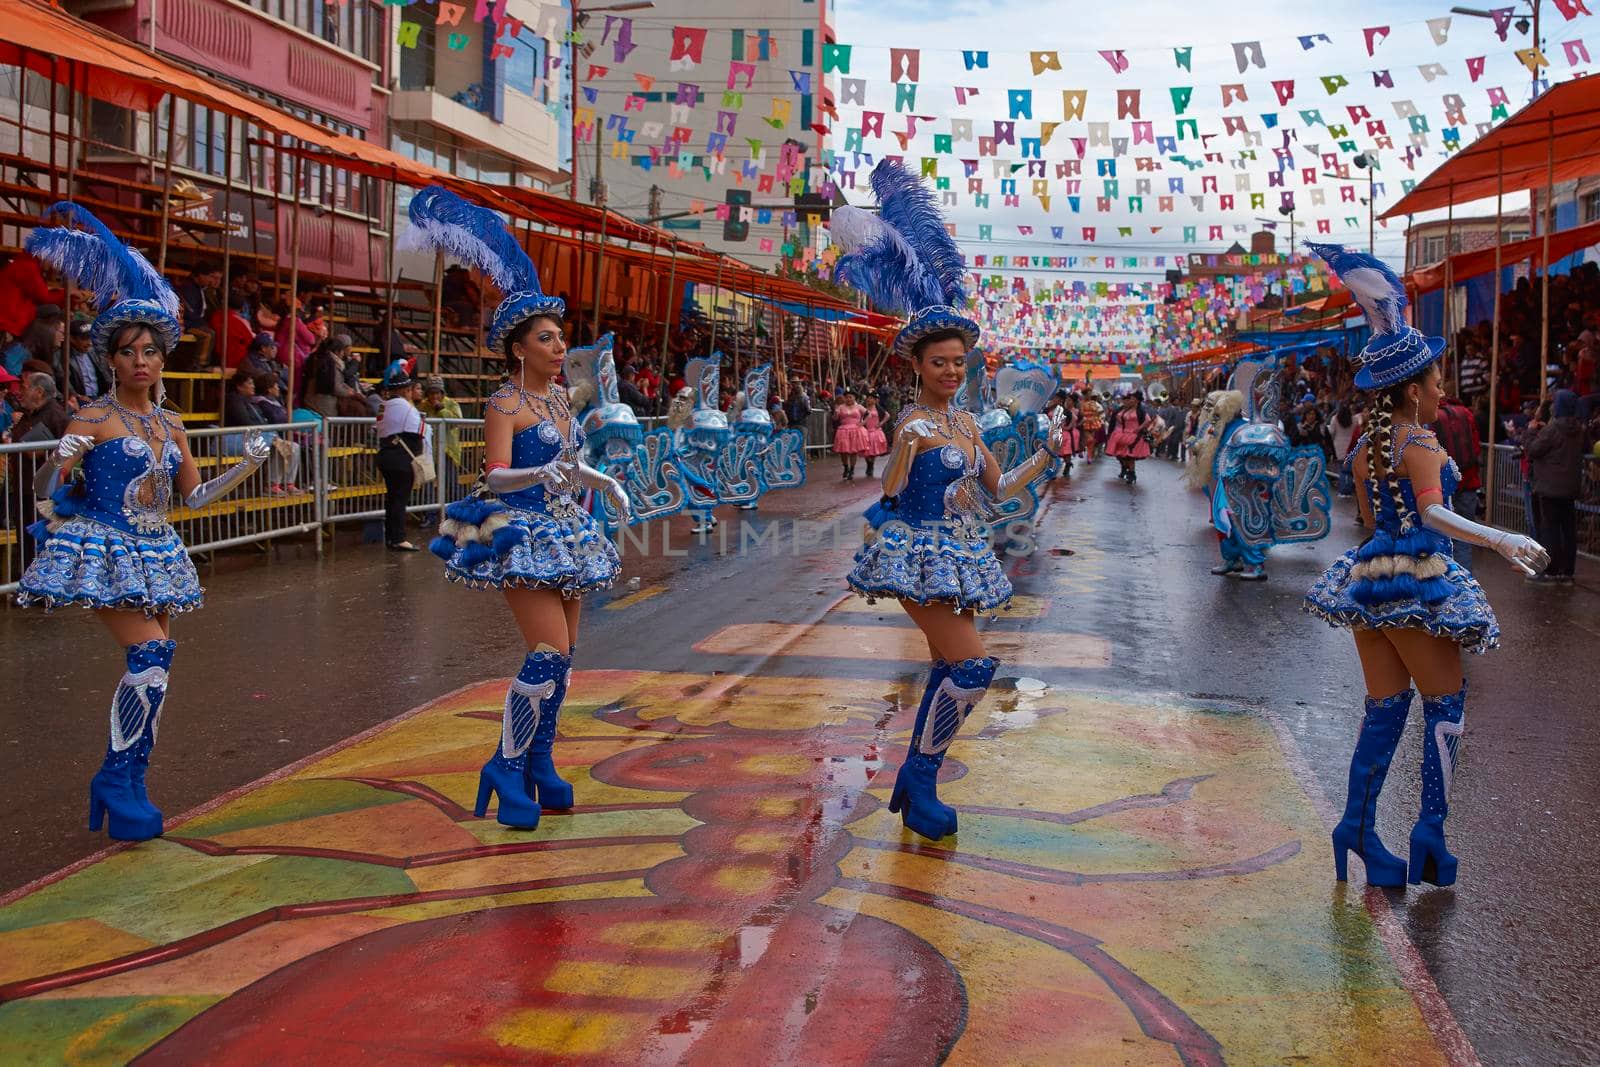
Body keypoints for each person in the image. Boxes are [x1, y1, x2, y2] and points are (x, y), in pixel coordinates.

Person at [15, 202, 269, 843]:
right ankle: (116, 778)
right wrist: (59, 461)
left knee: (158, 663)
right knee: (149, 655)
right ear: (111, 359)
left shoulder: (170, 422)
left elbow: (194, 498)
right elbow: (46, 490)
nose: (142, 362)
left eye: (152, 351)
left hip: (155, 546)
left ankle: (128, 779)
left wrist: (244, 469)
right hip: (102, 544)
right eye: (129, 352)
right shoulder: (92, 418)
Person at [830, 160, 1066, 842]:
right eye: (940, 362)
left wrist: (1045, 457)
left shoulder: (964, 423)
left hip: (961, 551)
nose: (952, 371)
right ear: (919, 367)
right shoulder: (913, 423)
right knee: (971, 664)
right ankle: (922, 778)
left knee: (949, 665)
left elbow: (998, 489)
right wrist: (903, 455)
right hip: (917, 553)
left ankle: (915, 779)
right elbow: (893, 494)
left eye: (959, 361)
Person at [1304, 242, 1548, 890]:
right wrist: (1497, 537)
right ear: (1413, 388)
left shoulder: (1364, 449)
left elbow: (1367, 519)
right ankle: (1428, 833)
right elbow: (1434, 515)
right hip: (1414, 581)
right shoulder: (1419, 439)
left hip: (1369, 583)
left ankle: (1356, 830)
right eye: (1438, 379)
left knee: (1385, 708)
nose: (1443, 388)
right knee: (1447, 701)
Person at [410, 187, 627, 832]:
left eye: (562, 338)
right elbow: (497, 477)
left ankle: (539, 759)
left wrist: (603, 482)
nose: (561, 348)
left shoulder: (562, 404)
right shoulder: (503, 405)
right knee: (545, 652)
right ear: (518, 348)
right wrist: (546, 471)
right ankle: (505, 764)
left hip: (568, 529)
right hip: (522, 530)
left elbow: (569, 463)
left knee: (564, 656)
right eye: (547, 339)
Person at [1526, 389, 1585, 584]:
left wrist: (1532, 431)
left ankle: (1550, 570)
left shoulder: (1553, 429)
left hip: (1550, 487)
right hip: (1570, 487)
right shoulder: (1579, 429)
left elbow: (1534, 449)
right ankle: (1567, 570)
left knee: (1550, 529)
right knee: (1568, 530)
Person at [373, 369, 430, 551]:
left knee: (392, 498)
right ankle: (398, 538)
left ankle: (391, 536)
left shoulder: (383, 405)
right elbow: (420, 430)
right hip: (401, 458)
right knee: (399, 499)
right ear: (406, 390)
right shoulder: (406, 407)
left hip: (386, 454)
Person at [1431, 389, 1484, 568]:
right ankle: (1464, 583)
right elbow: (1475, 447)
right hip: (1468, 481)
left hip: (1441, 486)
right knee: (1463, 537)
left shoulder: (1430, 417)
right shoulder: (1466, 414)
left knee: (1438, 537)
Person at [0, 250, 65, 340]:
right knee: (53, 309)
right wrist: (67, 295)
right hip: (8, 322)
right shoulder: (28, 266)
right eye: (54, 259)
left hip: (13, 318)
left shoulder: (27, 264)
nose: (54, 264)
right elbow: (44, 297)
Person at [174, 260, 221, 367]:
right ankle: (199, 364)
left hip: (194, 322)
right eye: (209, 276)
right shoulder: (188, 288)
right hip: (187, 324)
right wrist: (201, 323)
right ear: (199, 275)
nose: (210, 280)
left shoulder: (197, 288)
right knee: (208, 334)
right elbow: (188, 312)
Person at [1105, 390, 1153, 483]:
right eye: (1130, 398)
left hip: (1134, 436)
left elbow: (1148, 420)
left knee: (1130, 456)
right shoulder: (1125, 410)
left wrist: (1139, 429)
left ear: (1137, 400)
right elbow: (1118, 419)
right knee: (1123, 455)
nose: (1130, 400)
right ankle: (1128, 471)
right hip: (1124, 434)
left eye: (1132, 398)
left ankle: (1131, 474)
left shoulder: (1141, 411)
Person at [4, 304, 64, 376]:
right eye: (62, 332)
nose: (63, 337)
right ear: (48, 331)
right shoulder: (21, 349)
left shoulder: (47, 353)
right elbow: (6, 368)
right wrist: (27, 375)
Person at [11, 371, 70, 442]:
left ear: (39, 392)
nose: (20, 392)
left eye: (24, 388)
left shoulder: (56, 417)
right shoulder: (27, 412)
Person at [66, 318, 112, 405]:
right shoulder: (64, 356)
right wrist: (77, 396)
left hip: (101, 397)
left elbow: (105, 374)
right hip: (80, 400)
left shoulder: (95, 351)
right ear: (71, 338)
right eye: (84, 339)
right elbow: (64, 382)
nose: (89, 343)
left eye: (91, 338)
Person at [210, 289, 255, 370]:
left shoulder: (215, 316)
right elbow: (251, 340)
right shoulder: (240, 321)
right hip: (236, 359)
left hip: (217, 355)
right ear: (242, 308)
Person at [832, 388, 868, 480]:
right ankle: (846, 467)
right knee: (843, 451)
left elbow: (869, 414)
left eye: (850, 397)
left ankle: (852, 470)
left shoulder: (859, 406)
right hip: (843, 430)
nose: (848, 399)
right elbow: (835, 419)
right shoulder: (840, 407)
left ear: (854, 398)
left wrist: (862, 423)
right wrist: (835, 414)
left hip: (855, 430)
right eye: (847, 397)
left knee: (853, 451)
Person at [860, 395, 889, 478]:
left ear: (875, 400)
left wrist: (881, 423)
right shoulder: (863, 408)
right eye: (868, 398)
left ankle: (871, 465)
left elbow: (887, 415)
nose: (869, 400)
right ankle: (868, 463)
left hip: (875, 431)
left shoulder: (878, 408)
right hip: (866, 430)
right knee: (866, 451)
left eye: (871, 398)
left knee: (873, 451)